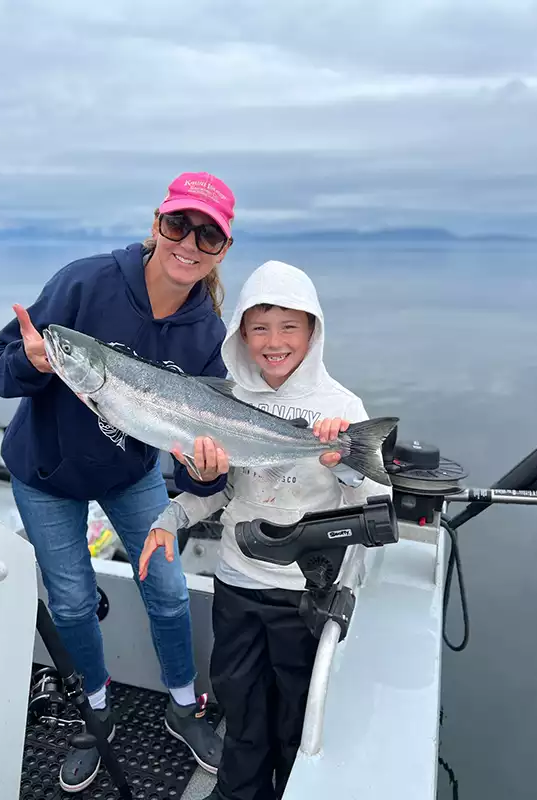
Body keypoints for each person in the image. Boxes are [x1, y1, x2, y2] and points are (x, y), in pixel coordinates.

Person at [0, 172, 236, 793]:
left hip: (131, 475)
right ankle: (96, 713)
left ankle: (183, 705)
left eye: (207, 235)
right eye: (178, 224)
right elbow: (3, 368)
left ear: (222, 249)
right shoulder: (86, 281)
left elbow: (190, 447)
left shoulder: (207, 330)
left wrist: (203, 470)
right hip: (45, 471)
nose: (188, 243)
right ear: (157, 223)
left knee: (172, 592)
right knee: (70, 601)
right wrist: (33, 360)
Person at [138, 259, 392, 800]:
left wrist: (340, 460)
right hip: (236, 587)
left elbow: (373, 498)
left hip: (306, 597)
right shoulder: (229, 401)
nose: (274, 342)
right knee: (241, 710)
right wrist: (173, 516)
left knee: (295, 720)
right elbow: (226, 490)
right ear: (241, 334)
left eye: (289, 327)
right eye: (259, 328)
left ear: (313, 331)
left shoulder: (341, 408)